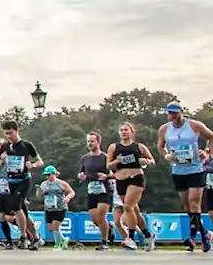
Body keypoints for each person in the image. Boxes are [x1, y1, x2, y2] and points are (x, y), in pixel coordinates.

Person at [157, 101, 213, 252]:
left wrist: (206, 152)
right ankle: (205, 234)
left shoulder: (194, 125)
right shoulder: (164, 129)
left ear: (182, 112)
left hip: (195, 169)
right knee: (187, 206)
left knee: (194, 203)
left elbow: (211, 136)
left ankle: (192, 238)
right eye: (170, 113)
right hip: (178, 170)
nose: (173, 116)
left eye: (175, 113)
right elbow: (160, 146)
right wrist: (167, 155)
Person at [107, 121, 157, 251]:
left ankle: (130, 238)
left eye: (126, 130)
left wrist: (146, 161)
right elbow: (108, 166)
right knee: (134, 210)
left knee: (128, 207)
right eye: (121, 130)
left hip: (136, 178)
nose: (124, 132)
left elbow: (152, 160)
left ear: (132, 132)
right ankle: (147, 235)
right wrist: (116, 161)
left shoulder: (139, 147)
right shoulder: (114, 147)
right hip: (120, 180)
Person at [0, 121, 43, 250]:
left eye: (11, 133)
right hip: (11, 181)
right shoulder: (5, 146)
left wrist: (32, 165)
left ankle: (23, 238)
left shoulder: (26, 145)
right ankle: (37, 238)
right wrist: (2, 161)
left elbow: (40, 161)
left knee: (15, 206)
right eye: (6, 133)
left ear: (17, 131)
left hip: (24, 180)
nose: (8, 136)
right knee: (24, 213)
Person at [78, 131, 112, 251]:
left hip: (104, 190)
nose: (90, 144)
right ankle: (109, 228)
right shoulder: (85, 158)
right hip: (91, 190)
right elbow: (81, 173)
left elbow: (113, 173)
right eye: (88, 141)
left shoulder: (106, 157)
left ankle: (104, 241)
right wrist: (81, 176)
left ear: (98, 142)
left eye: (92, 141)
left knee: (102, 216)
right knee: (95, 220)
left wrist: (106, 176)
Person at [37, 166, 74, 250]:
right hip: (49, 208)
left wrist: (68, 198)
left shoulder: (61, 183)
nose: (47, 177)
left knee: (55, 225)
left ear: (54, 174)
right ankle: (64, 240)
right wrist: (39, 192)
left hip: (60, 208)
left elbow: (72, 192)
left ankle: (57, 245)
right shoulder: (43, 184)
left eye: (49, 174)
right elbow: (40, 196)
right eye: (46, 175)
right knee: (51, 228)